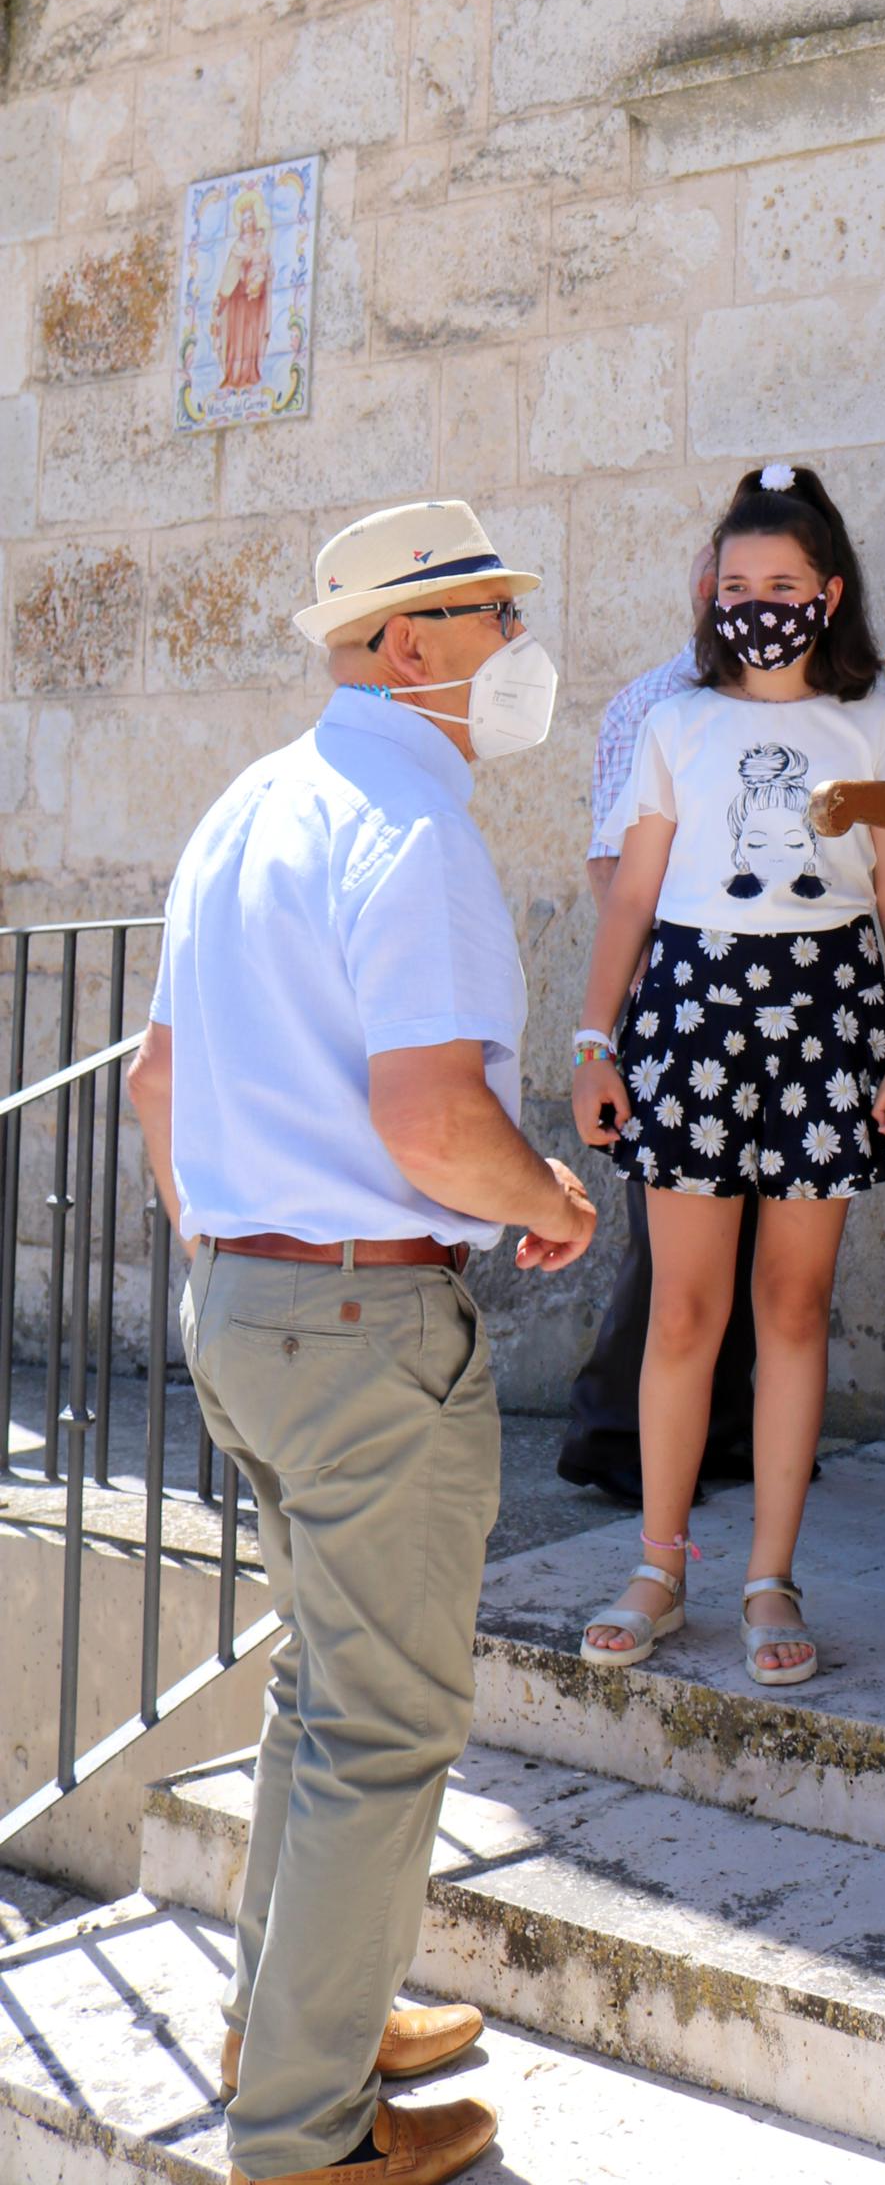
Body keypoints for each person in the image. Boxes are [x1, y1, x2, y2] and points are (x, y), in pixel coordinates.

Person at [125, 499, 598, 2185]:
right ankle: (303, 2142)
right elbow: (433, 1119)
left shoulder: (248, 805)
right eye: (491, 617)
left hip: (252, 1306)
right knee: (381, 1725)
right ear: (409, 644)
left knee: (325, 1693)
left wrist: (236, 1251)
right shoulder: (411, 820)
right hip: (359, 1319)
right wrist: (549, 1192)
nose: (517, 647)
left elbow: (158, 1082)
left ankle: (289, 2030)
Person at [572, 463, 885, 1686]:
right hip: (689, 1011)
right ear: (710, 593)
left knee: (790, 1305)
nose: (757, 603)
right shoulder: (675, 723)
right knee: (684, 1307)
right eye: (736, 583)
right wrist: (593, 1041)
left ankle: (769, 1576)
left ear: (828, 593)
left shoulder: (875, 721)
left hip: (829, 1012)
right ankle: (658, 1566)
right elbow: (631, 894)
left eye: (781, 582)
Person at [556, 542, 716, 1506]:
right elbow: (609, 865)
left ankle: (722, 1432)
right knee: (667, 1248)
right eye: (732, 580)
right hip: (675, 996)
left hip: (762, 1000)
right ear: (703, 584)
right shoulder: (651, 703)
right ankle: (611, 1435)